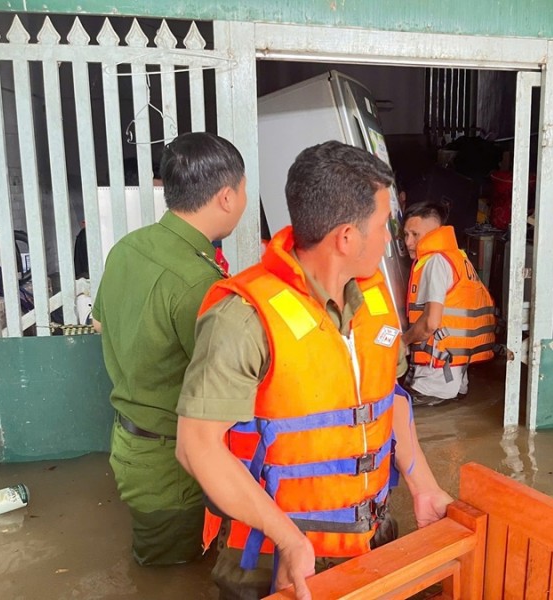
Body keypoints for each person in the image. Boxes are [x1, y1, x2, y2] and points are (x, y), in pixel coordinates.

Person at [175, 140, 453, 599]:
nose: (390, 239)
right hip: (276, 557)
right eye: (384, 225)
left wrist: (422, 484)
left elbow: (391, 402)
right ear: (346, 237)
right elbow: (196, 448)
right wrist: (287, 538)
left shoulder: (376, 301)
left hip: (373, 538)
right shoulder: (243, 318)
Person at [92, 132, 246, 566]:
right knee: (170, 576)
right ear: (227, 196)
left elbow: (101, 320)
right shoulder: (198, 282)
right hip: (171, 465)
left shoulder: (129, 248)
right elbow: (227, 377)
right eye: (245, 189)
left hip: (130, 442)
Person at [402, 201, 496, 406]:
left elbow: (431, 323)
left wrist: (402, 343)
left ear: (434, 234)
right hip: (457, 379)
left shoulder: (434, 262)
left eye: (415, 235)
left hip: (434, 380)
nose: (408, 242)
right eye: (406, 235)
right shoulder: (458, 258)